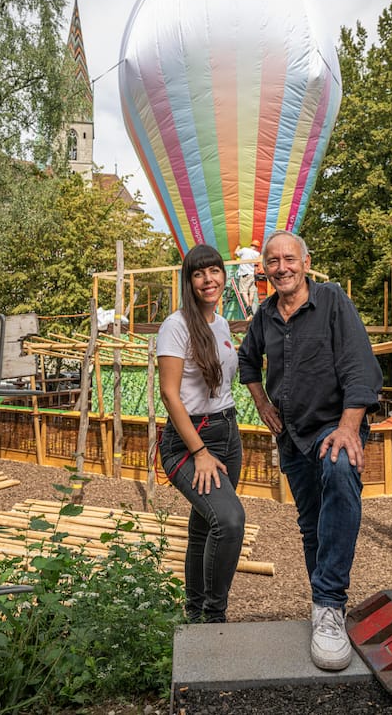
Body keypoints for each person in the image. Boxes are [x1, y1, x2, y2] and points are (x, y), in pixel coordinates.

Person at [238, 231, 382, 670]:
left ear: (306, 261)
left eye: (289, 259)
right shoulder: (264, 315)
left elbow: (360, 364)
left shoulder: (333, 301)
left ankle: (329, 604)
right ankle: (325, 606)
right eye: (273, 261)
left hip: (331, 427)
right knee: (310, 524)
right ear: (263, 268)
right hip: (293, 434)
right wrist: (262, 403)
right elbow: (247, 361)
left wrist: (349, 427)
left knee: (340, 471)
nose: (282, 267)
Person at [157, 243, 245, 623]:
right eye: (198, 273)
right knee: (229, 521)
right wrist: (199, 452)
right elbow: (169, 393)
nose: (208, 279)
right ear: (188, 281)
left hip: (228, 432)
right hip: (190, 440)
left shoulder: (221, 323)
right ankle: (213, 617)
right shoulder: (175, 326)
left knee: (204, 526)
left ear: (224, 276)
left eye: (214, 271)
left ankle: (193, 614)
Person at [234, 239, 261, 317]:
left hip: (244, 274)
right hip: (252, 275)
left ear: (251, 245)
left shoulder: (244, 250)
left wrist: (238, 246)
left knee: (244, 291)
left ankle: (248, 307)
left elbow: (236, 254)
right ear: (257, 247)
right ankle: (250, 308)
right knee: (252, 291)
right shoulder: (257, 254)